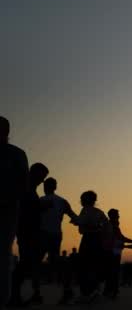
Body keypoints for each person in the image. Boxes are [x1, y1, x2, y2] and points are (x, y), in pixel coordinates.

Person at [9, 163, 49, 306]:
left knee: (26, 263)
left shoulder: (29, 189)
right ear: (35, 173)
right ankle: (14, 297)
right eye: (42, 177)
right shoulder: (26, 189)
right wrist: (41, 207)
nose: (42, 180)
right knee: (25, 263)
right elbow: (25, 209)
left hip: (29, 231)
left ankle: (15, 296)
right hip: (27, 232)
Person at [0, 116, 29, 309]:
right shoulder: (17, 154)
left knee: (2, 257)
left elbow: (22, 188)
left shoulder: (16, 154)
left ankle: (3, 300)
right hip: (8, 213)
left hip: (7, 213)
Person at [39, 178, 78, 284]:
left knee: (37, 260)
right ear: (55, 187)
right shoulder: (62, 201)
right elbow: (73, 215)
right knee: (54, 259)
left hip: (43, 234)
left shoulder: (41, 200)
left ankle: (37, 290)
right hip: (56, 234)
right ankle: (65, 285)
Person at [73, 190, 109, 303]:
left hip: (89, 239)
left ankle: (86, 293)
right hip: (98, 240)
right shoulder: (100, 212)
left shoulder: (85, 210)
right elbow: (107, 227)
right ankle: (95, 290)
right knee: (95, 265)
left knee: (84, 265)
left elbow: (82, 227)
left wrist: (80, 222)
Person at [103, 209, 132, 299]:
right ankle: (113, 290)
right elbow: (121, 237)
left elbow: (120, 238)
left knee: (111, 271)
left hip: (112, 250)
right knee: (113, 271)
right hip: (113, 251)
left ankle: (109, 290)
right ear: (113, 216)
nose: (119, 216)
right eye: (117, 214)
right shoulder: (112, 225)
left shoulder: (110, 225)